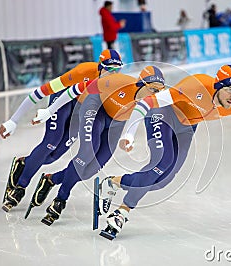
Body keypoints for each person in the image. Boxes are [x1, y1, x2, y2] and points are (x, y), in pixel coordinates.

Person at [98, 64, 231, 238]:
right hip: (164, 114)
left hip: (188, 127)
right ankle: (122, 213)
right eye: (230, 90)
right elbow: (146, 102)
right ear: (218, 86)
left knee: (162, 181)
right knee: (163, 161)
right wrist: (130, 134)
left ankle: (113, 182)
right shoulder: (195, 86)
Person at [28, 65, 166, 226]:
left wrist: (129, 136)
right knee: (86, 153)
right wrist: (50, 111)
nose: (157, 95)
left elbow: (142, 118)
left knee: (90, 171)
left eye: (161, 90)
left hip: (116, 124)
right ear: (140, 84)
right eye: (153, 89)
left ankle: (51, 179)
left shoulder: (155, 101)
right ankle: (61, 198)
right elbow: (75, 89)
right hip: (95, 110)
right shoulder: (117, 82)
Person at [0, 49, 123, 212]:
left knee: (53, 157)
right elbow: (41, 92)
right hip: (62, 100)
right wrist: (13, 120)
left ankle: (23, 163)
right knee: (51, 143)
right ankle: (20, 187)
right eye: (109, 69)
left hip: (81, 109)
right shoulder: (82, 72)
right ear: (100, 67)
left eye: (117, 70)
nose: (113, 74)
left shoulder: (117, 85)